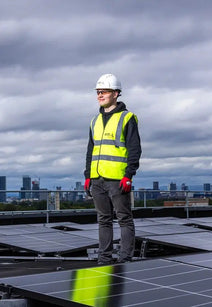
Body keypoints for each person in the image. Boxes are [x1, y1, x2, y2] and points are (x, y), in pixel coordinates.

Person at [84, 73, 142, 265]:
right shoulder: (95, 121)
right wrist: (87, 176)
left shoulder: (127, 118)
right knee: (103, 220)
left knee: (124, 219)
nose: (100, 95)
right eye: (98, 92)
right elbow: (90, 150)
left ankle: (125, 259)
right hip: (97, 179)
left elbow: (134, 149)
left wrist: (128, 175)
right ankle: (104, 259)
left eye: (104, 92)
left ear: (116, 94)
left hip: (117, 179)